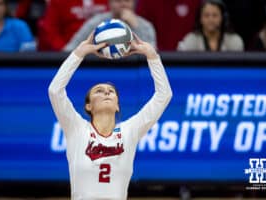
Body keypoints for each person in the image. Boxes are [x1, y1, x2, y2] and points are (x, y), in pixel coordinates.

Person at [48, 32, 172, 199]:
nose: (106, 93)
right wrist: (78, 54)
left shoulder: (129, 131)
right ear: (88, 106)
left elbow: (164, 95)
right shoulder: (76, 128)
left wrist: (152, 56)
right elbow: (55, 91)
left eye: (111, 92)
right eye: (99, 91)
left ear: (117, 105)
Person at [64, 0, 156, 51]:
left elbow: (152, 53)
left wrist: (136, 27)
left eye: (127, 0)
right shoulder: (97, 22)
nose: (123, 4)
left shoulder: (145, 25)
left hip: (133, 71)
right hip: (102, 68)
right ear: (109, 3)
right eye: (118, 1)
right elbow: (70, 48)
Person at [37, 0, 108, 51]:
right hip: (67, 53)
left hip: (104, 53)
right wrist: (64, 52)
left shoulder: (110, 2)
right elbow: (49, 30)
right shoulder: (58, 2)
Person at [177, 0, 243, 51]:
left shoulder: (234, 41)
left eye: (215, 15)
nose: (210, 19)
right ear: (200, 18)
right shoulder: (191, 40)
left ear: (223, 18)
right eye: (206, 15)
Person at [136, 0, 201, 51]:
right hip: (156, 59)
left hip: (190, 60)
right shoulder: (146, 2)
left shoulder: (196, 2)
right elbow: (139, 32)